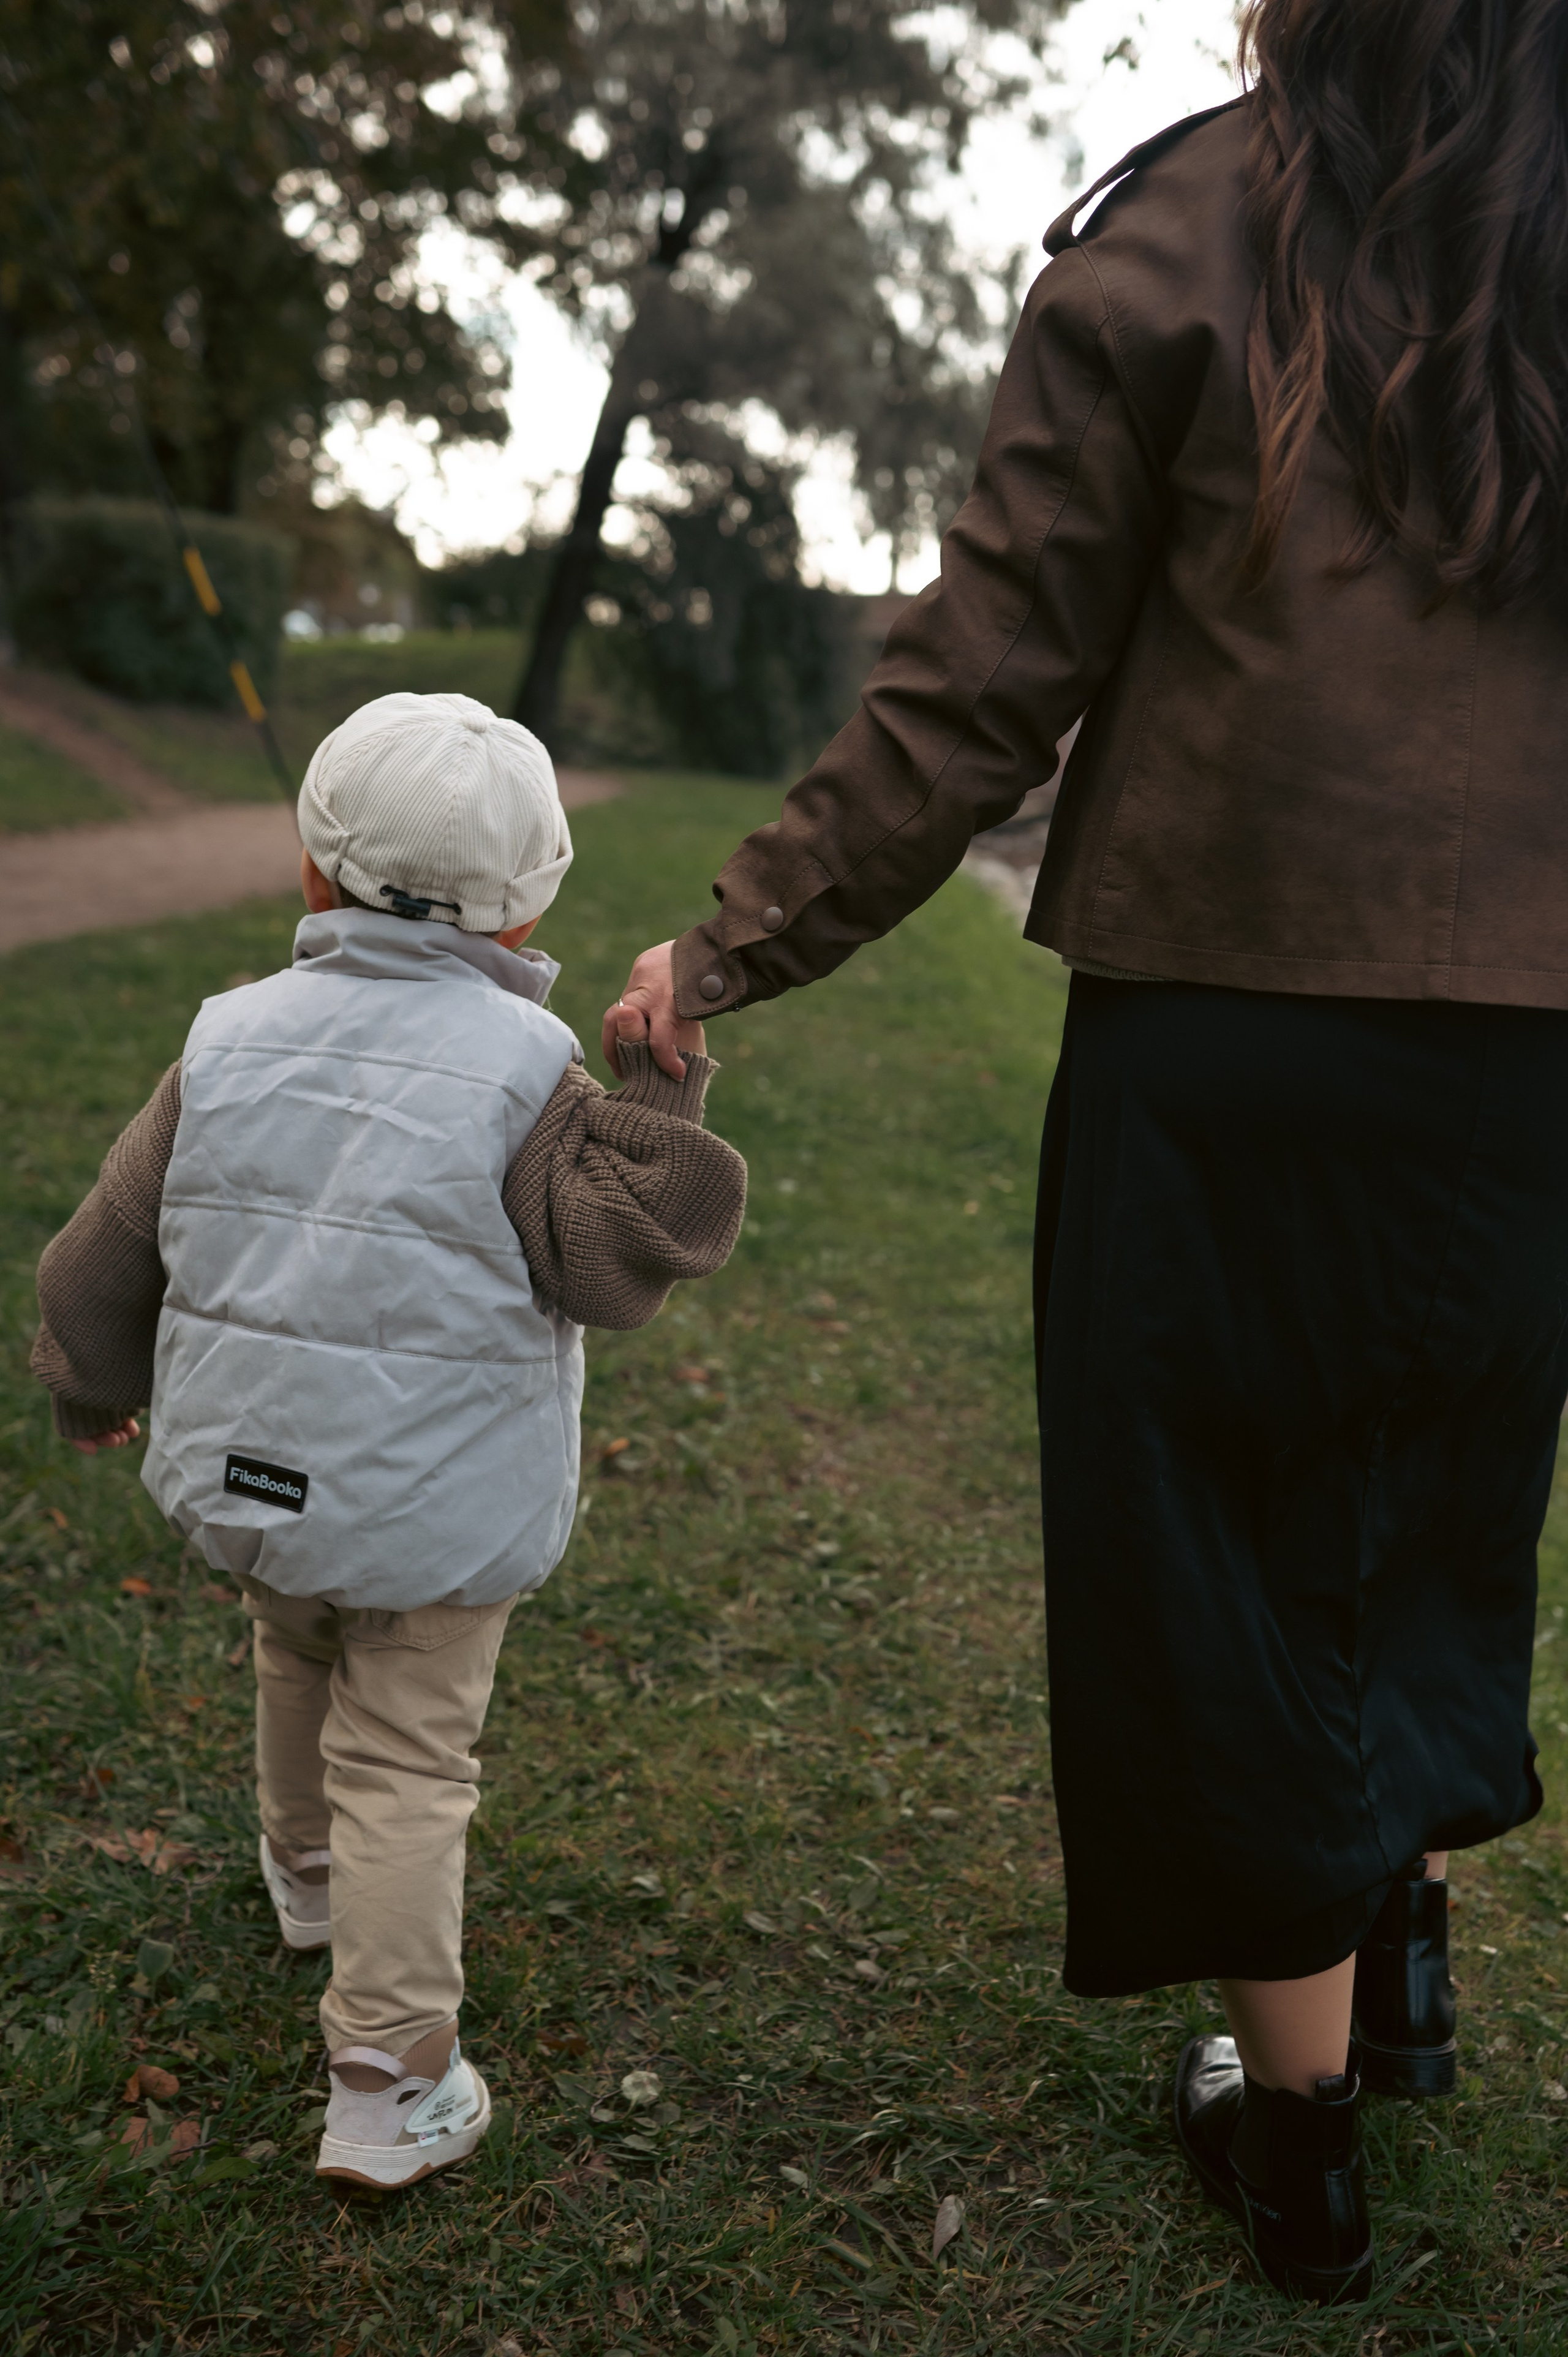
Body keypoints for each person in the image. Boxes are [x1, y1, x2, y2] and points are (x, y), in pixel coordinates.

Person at [601, 0, 1568, 2304]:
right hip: (1538, 1041)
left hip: (1231, 1023)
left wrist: (736, 940)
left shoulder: (1193, 220)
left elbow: (982, 670)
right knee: (1433, 1501)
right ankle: (1395, 1961)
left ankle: (1304, 2130)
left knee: (1225, 1553)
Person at [31, 692, 747, 2190]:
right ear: (529, 904)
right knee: (410, 1762)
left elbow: (103, 1249)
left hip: (250, 1481)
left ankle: (305, 1882)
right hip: (433, 1514)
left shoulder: (223, 1042)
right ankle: (387, 2080)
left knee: (293, 1652)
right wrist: (655, 1093)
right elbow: (614, 1270)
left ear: (310, 873)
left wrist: (90, 1386)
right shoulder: (527, 1078)